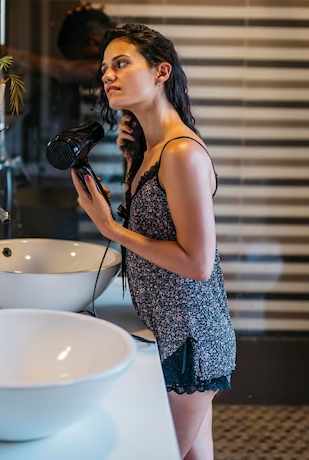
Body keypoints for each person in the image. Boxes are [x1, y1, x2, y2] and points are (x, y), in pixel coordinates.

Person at [70, 23, 236, 460]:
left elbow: (197, 263)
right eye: (105, 67)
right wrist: (130, 163)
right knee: (196, 454)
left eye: (121, 63)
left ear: (161, 72)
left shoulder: (181, 153)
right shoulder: (153, 150)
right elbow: (157, 225)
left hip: (191, 339)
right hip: (176, 331)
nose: (108, 75)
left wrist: (112, 230)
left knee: (160, 453)